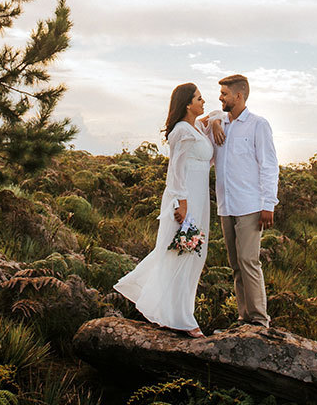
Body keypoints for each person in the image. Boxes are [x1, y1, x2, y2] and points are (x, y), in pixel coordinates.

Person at [114, 82, 215, 337]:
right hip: (186, 201)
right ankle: (182, 318)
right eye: (199, 98)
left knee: (192, 255)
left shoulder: (196, 128)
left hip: (199, 200)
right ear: (187, 104)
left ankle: (172, 311)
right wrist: (182, 203)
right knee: (181, 254)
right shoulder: (182, 131)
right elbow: (176, 171)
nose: (204, 103)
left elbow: (217, 119)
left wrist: (213, 123)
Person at [210, 73, 278, 328]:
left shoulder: (259, 125)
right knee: (236, 265)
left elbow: (269, 166)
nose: (220, 97)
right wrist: (216, 119)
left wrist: (268, 204)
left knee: (249, 261)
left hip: (250, 206)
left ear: (239, 96)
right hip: (226, 206)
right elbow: (201, 120)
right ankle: (244, 317)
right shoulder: (219, 123)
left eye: (225, 94)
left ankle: (260, 320)